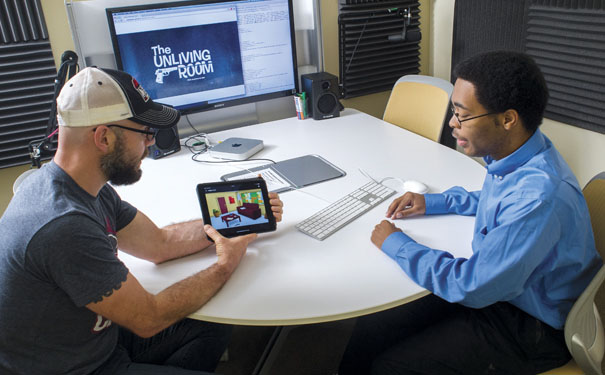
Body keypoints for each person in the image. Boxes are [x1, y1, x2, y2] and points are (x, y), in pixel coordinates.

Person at [0, 67, 283, 374]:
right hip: (78, 368)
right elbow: (149, 318)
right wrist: (225, 263)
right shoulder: (62, 225)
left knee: (214, 321)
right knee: (205, 299)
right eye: (145, 133)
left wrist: (233, 216)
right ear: (104, 138)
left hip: (96, 340)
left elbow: (160, 244)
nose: (151, 144)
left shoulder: (83, 187)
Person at [338, 51, 601, 375]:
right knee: (377, 320)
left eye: (462, 115)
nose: (451, 123)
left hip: (530, 325)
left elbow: (472, 286)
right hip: (505, 290)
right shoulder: (520, 154)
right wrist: (433, 202)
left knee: (391, 367)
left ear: (507, 119)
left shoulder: (538, 198)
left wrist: (397, 243)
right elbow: (498, 199)